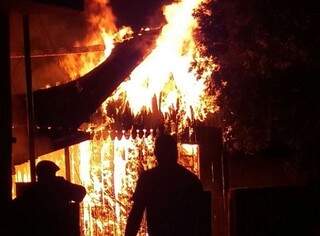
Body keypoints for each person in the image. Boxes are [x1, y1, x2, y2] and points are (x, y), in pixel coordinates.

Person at [125, 134, 203, 236]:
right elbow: (201, 219)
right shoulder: (190, 180)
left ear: (156, 153)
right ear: (176, 153)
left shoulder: (148, 179)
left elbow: (135, 216)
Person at [12, 160, 86, 236]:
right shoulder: (60, 186)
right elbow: (80, 193)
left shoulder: (33, 190)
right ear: (51, 173)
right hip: (59, 229)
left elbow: (15, 206)